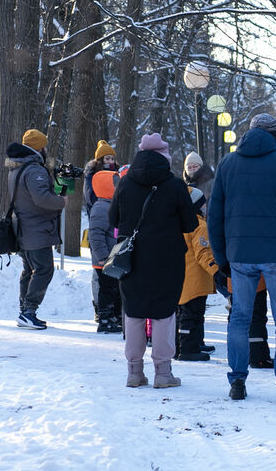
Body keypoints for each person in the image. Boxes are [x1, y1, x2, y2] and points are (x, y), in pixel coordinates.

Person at [207, 113, 276, 405]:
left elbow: (214, 216)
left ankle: (238, 381)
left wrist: (221, 259)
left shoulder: (228, 164)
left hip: (240, 256)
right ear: (275, 136)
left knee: (240, 318)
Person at [111, 133, 198, 389]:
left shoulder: (125, 184)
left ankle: (134, 373)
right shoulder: (174, 185)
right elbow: (190, 224)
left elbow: (113, 218)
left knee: (134, 313)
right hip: (167, 259)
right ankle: (163, 373)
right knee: (164, 315)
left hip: (131, 259)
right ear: (165, 157)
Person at [5, 129, 67, 330]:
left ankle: (25, 310)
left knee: (28, 269)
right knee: (44, 269)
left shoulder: (18, 168)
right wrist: (61, 201)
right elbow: (41, 199)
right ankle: (29, 311)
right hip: (36, 229)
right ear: (39, 147)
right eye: (45, 146)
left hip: (23, 227)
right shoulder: (34, 170)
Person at [177, 186, 219, 361]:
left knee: (185, 314)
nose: (205, 208)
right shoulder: (199, 225)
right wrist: (217, 271)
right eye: (203, 205)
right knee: (192, 315)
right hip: (196, 279)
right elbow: (203, 253)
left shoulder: (178, 222)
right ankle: (188, 348)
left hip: (182, 277)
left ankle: (189, 344)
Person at [87, 170, 122, 333]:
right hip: (104, 260)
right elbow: (95, 235)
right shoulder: (101, 207)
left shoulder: (111, 205)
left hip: (112, 257)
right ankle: (105, 319)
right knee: (106, 289)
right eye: (115, 185)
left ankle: (114, 316)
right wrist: (102, 256)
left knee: (114, 288)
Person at [84, 140, 119, 218]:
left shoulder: (116, 173)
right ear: (100, 160)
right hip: (97, 212)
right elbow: (90, 196)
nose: (111, 162)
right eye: (107, 159)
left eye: (112, 159)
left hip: (114, 214)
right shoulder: (91, 173)